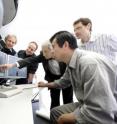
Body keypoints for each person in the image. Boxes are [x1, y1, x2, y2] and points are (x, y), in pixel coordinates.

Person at [37, 31, 117, 124]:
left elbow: (100, 109)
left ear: (65, 45)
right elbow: (63, 82)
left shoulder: (89, 63)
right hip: (86, 104)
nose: (52, 51)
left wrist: (66, 118)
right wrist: (46, 84)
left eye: (53, 47)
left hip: (106, 110)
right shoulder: (71, 63)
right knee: (55, 112)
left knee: (62, 118)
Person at [0, 40, 73, 109]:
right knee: (54, 102)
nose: (43, 54)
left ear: (53, 50)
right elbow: (30, 60)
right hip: (52, 80)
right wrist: (12, 65)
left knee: (68, 102)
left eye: (45, 52)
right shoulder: (43, 55)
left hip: (66, 79)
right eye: (43, 51)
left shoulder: (64, 55)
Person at [73, 17, 117, 121]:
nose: (76, 32)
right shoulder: (78, 48)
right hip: (92, 88)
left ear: (88, 26)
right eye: (74, 30)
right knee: (95, 117)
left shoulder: (105, 38)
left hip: (111, 86)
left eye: (78, 28)